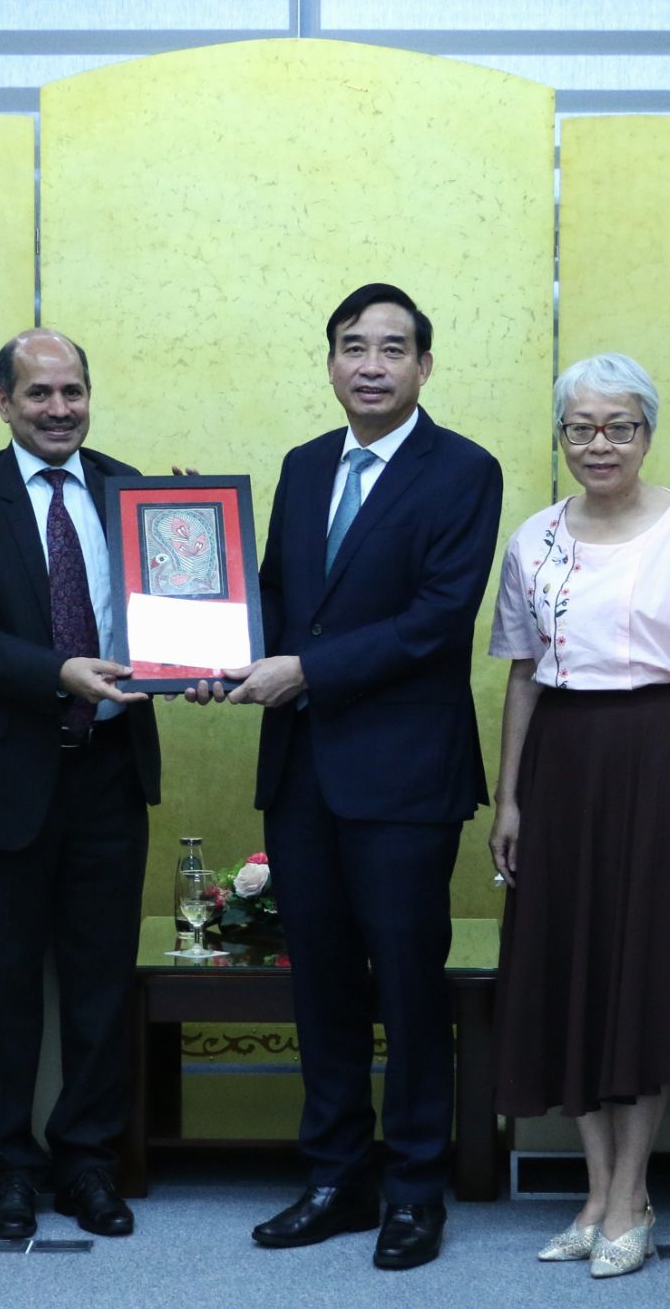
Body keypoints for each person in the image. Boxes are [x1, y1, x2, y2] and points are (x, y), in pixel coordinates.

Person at [211, 283, 501, 1272]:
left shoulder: (463, 471)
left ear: (424, 365)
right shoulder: (300, 469)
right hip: (300, 770)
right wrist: (194, 599)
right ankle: (337, 1177)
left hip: (404, 774)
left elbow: (437, 619)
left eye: (390, 348)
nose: (368, 364)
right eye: (350, 347)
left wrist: (306, 671)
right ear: (328, 363)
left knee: (409, 987)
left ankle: (414, 1188)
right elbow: (277, 603)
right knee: (322, 986)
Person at [488, 352, 670, 1279]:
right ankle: (596, 1191)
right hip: (562, 765)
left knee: (640, 985)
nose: (598, 443)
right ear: (562, 435)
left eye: (619, 426)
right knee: (571, 977)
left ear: (648, 431)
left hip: (657, 758)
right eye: (580, 427)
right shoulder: (532, 539)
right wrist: (511, 795)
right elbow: (523, 672)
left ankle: (633, 1195)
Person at [0, 328, 161, 1241]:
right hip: (3, 773)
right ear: (4, 402)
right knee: (5, 982)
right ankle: (10, 1167)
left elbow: (176, 613)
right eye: (39, 394)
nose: (59, 409)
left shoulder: (133, 491)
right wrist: (60, 670)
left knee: (99, 983)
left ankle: (88, 1164)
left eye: (74, 391)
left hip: (108, 768)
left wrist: (189, 552)